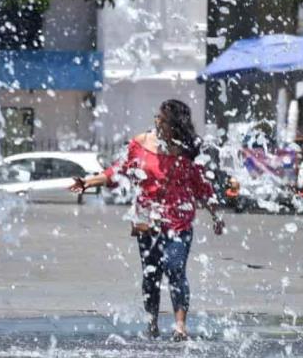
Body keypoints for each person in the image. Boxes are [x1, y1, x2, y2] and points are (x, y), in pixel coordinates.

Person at [69, 99, 224, 341]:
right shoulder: (141, 143)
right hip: (148, 222)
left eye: (162, 119)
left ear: (175, 124)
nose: (156, 122)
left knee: (176, 269)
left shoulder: (188, 150)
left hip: (179, 222)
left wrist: (216, 215)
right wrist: (88, 182)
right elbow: (120, 169)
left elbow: (202, 186)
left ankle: (180, 326)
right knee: (151, 275)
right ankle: (152, 321)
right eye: (157, 117)